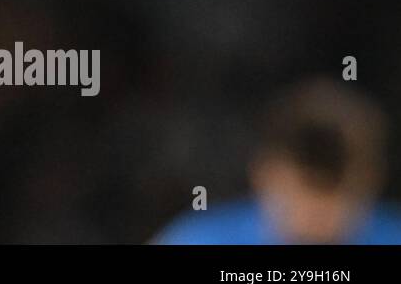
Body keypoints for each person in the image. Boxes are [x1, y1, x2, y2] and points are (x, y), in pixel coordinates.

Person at [154, 76, 401, 244]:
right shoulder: (196, 239)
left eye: (338, 194)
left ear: (371, 180)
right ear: (265, 174)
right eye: (306, 191)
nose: (319, 215)